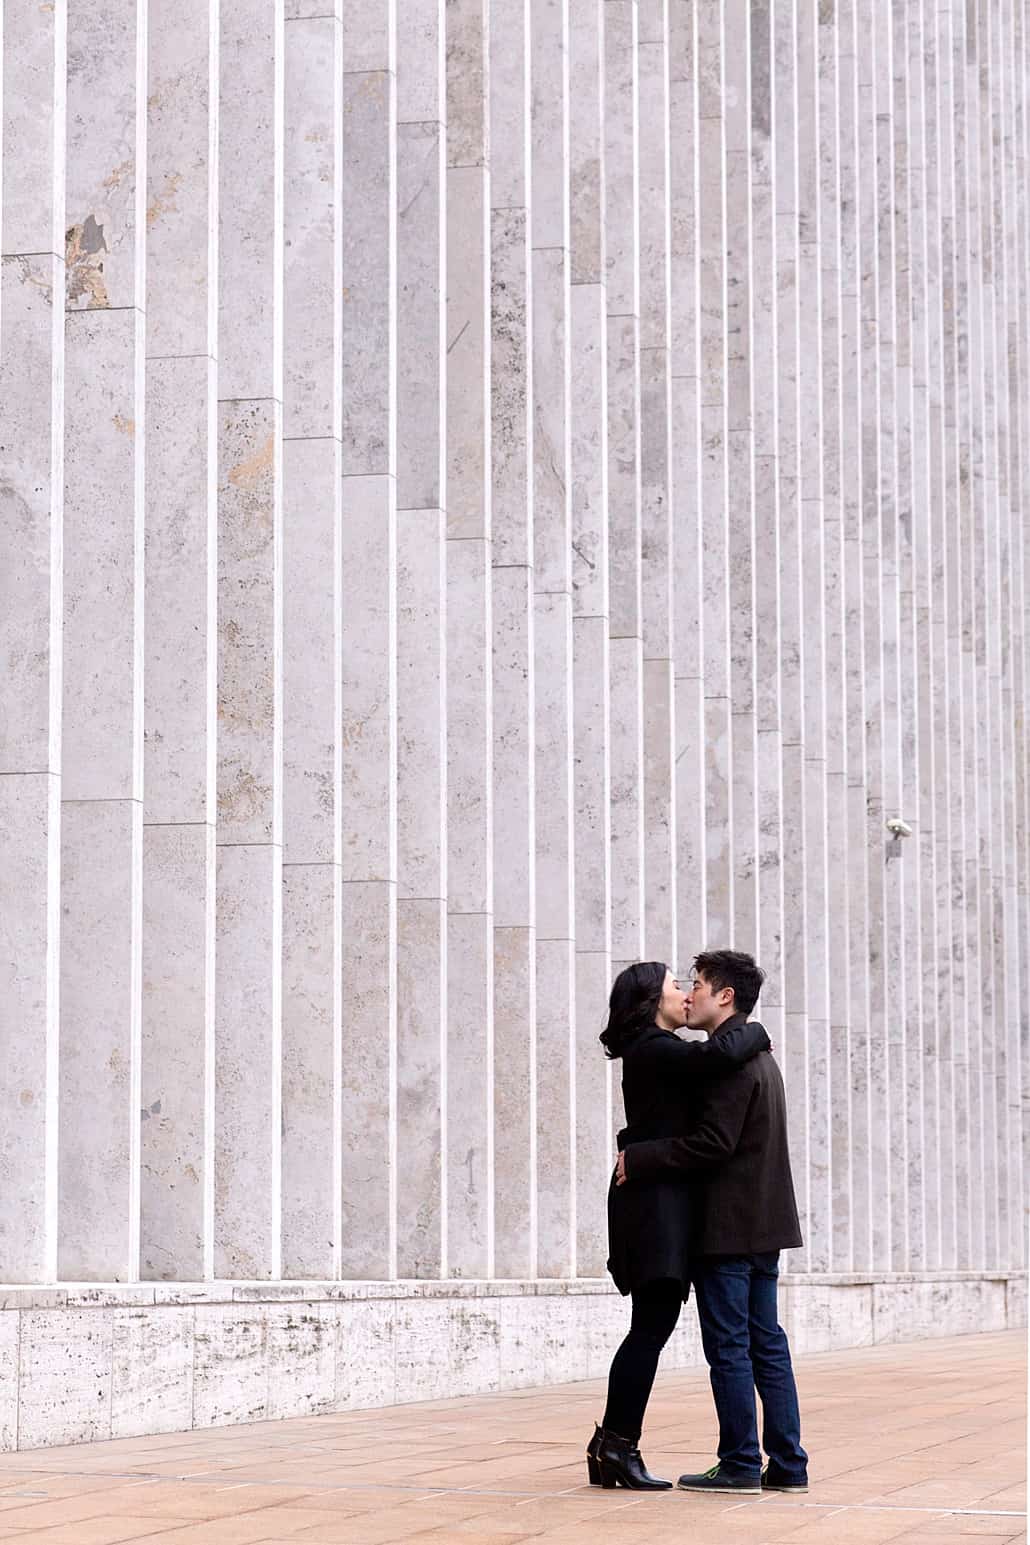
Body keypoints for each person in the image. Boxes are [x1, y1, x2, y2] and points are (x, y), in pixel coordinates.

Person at [616, 949, 808, 1496]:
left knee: (729, 1346)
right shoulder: (758, 1055)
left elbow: (713, 1144)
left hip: (728, 1228)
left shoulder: (731, 1063)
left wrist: (642, 1157)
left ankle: (741, 1462)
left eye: (697, 983)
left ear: (725, 995)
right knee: (766, 1342)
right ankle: (789, 1464)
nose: (690, 992)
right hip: (765, 1225)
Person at [588, 960, 770, 1490]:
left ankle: (612, 1447)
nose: (685, 995)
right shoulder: (655, 1048)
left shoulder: (655, 1050)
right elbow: (721, 1053)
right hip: (654, 1205)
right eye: (675, 986)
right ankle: (617, 1446)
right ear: (652, 1002)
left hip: (658, 1199)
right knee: (650, 1327)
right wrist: (755, 1029)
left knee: (650, 1326)